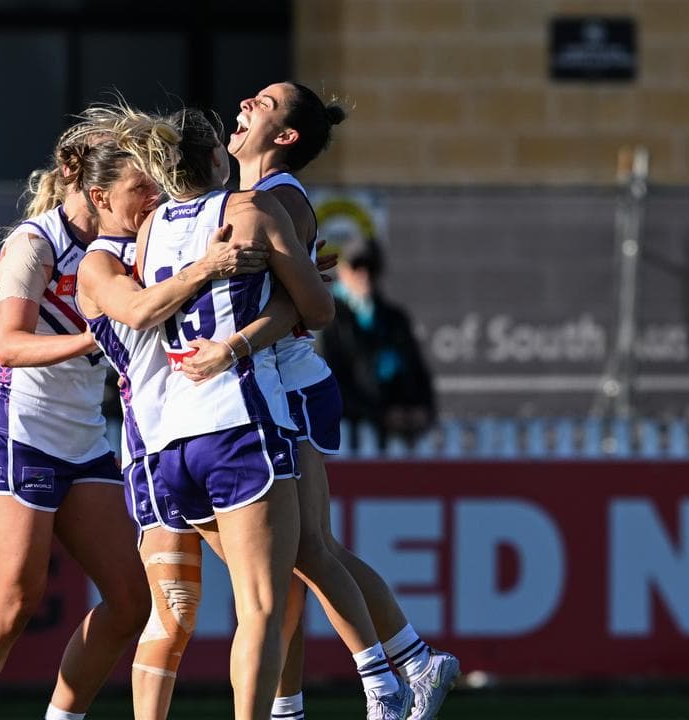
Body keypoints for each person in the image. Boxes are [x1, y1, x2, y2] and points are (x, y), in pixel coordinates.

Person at [132, 107, 378, 720]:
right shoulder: (251, 210)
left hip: (168, 439)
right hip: (237, 421)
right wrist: (289, 268)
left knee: (183, 612)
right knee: (267, 601)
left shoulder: (146, 231)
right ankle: (389, 667)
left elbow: (140, 312)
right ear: (217, 157)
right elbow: (319, 313)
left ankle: (295, 708)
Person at [222, 81, 454, 720]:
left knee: (304, 552)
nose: (244, 104)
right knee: (297, 559)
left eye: (262, 104)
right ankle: (318, 695)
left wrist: (234, 344)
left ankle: (399, 671)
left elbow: (305, 307)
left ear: (287, 137)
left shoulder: (273, 198)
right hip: (278, 382)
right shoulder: (253, 197)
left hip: (285, 383)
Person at [0, 118, 152, 720]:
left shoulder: (130, 247)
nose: (151, 200)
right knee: (12, 602)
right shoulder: (35, 243)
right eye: (140, 185)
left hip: (84, 435)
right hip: (20, 429)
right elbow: (6, 345)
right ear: (92, 184)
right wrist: (94, 340)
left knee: (131, 603)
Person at [68, 106, 269, 720]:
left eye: (155, 183)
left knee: (211, 603)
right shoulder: (100, 264)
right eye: (138, 189)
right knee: (214, 603)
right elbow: (140, 311)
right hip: (156, 446)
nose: (151, 197)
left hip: (189, 432)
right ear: (101, 198)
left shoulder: (155, 240)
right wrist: (208, 266)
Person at [319, 234, 436, 451]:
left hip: (396, 442)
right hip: (346, 440)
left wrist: (422, 409)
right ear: (342, 270)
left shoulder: (395, 318)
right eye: (357, 266)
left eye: (371, 267)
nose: (364, 275)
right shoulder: (326, 318)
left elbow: (417, 370)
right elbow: (331, 381)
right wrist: (380, 414)